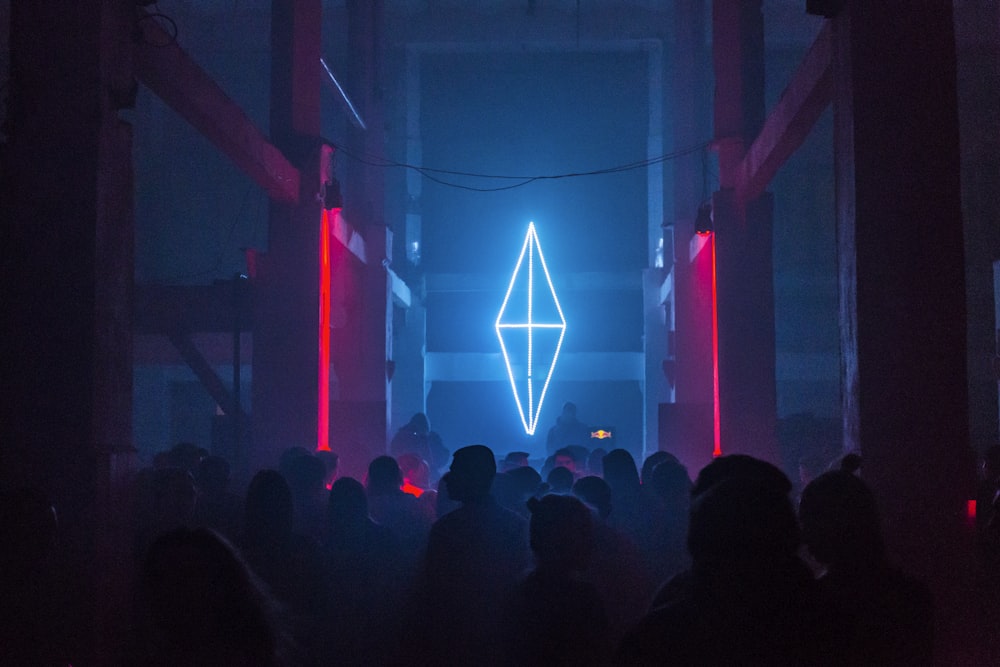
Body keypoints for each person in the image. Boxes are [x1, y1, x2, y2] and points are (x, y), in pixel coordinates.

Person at [390, 413, 449, 480]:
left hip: (425, 475)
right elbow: (396, 454)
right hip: (408, 476)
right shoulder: (403, 437)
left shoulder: (432, 437)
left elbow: (443, 455)